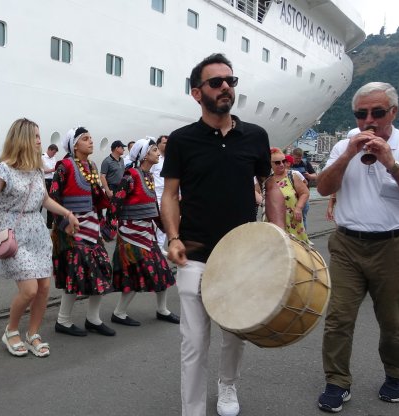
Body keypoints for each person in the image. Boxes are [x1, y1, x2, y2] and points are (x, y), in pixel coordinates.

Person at [160, 53, 284, 416]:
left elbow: (270, 184)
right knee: (194, 343)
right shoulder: (183, 140)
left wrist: (278, 231)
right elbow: (169, 195)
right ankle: (193, 410)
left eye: (230, 81)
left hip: (243, 255)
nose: (226, 86)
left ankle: (227, 386)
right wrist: (172, 237)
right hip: (194, 252)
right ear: (197, 93)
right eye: (216, 82)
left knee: (235, 334)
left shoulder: (256, 136)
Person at [315, 82, 399, 412]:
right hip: (348, 244)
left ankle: (396, 374)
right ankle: (337, 382)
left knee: (393, 321)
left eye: (377, 112)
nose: (369, 121)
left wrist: (391, 162)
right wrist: (348, 153)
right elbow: (323, 186)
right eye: (361, 114)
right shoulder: (346, 145)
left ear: (393, 112)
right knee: (338, 319)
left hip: (396, 244)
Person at [0, 118, 79, 357]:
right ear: (23, 138)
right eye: (35, 136)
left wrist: (66, 212)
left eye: (39, 135)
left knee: (44, 287)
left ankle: (33, 333)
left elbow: (44, 200)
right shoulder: (3, 168)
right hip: (14, 233)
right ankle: (11, 330)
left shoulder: (36, 169)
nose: (39, 140)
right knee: (29, 290)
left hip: (38, 232)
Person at [49, 126, 116, 337]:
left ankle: (93, 319)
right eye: (86, 139)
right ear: (75, 145)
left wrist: (104, 218)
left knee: (102, 270)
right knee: (75, 273)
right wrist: (63, 224)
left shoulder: (93, 165)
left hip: (91, 226)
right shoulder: (65, 166)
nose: (91, 142)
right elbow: (52, 198)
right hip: (71, 228)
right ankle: (63, 320)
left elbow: (96, 198)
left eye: (91, 138)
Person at [109, 138, 178, 326]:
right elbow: (115, 203)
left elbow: (152, 207)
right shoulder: (130, 176)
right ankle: (119, 313)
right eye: (154, 150)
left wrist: (167, 230)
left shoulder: (148, 177)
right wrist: (109, 228)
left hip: (147, 234)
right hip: (131, 235)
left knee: (162, 271)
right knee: (135, 274)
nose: (158, 153)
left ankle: (162, 310)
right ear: (145, 154)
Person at [269, 148, 310, 242]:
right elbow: (256, 192)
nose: (282, 164)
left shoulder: (292, 175)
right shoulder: (267, 179)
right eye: (277, 163)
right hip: (273, 222)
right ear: (270, 164)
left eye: (283, 161)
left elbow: (305, 192)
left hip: (292, 221)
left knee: (296, 251)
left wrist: (299, 208)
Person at [150, 135, 169, 248]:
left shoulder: (171, 159)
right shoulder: (155, 160)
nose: (167, 145)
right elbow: (148, 175)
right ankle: (152, 246)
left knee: (165, 221)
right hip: (155, 193)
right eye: (165, 143)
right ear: (158, 145)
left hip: (168, 194)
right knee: (153, 221)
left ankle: (160, 247)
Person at [41, 143, 59, 228]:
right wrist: (52, 169)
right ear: (49, 150)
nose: (54, 154)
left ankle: (49, 225)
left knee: (51, 202)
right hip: (45, 181)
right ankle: (39, 223)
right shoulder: (42, 157)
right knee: (41, 202)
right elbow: (42, 170)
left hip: (52, 181)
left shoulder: (53, 158)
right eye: (54, 152)